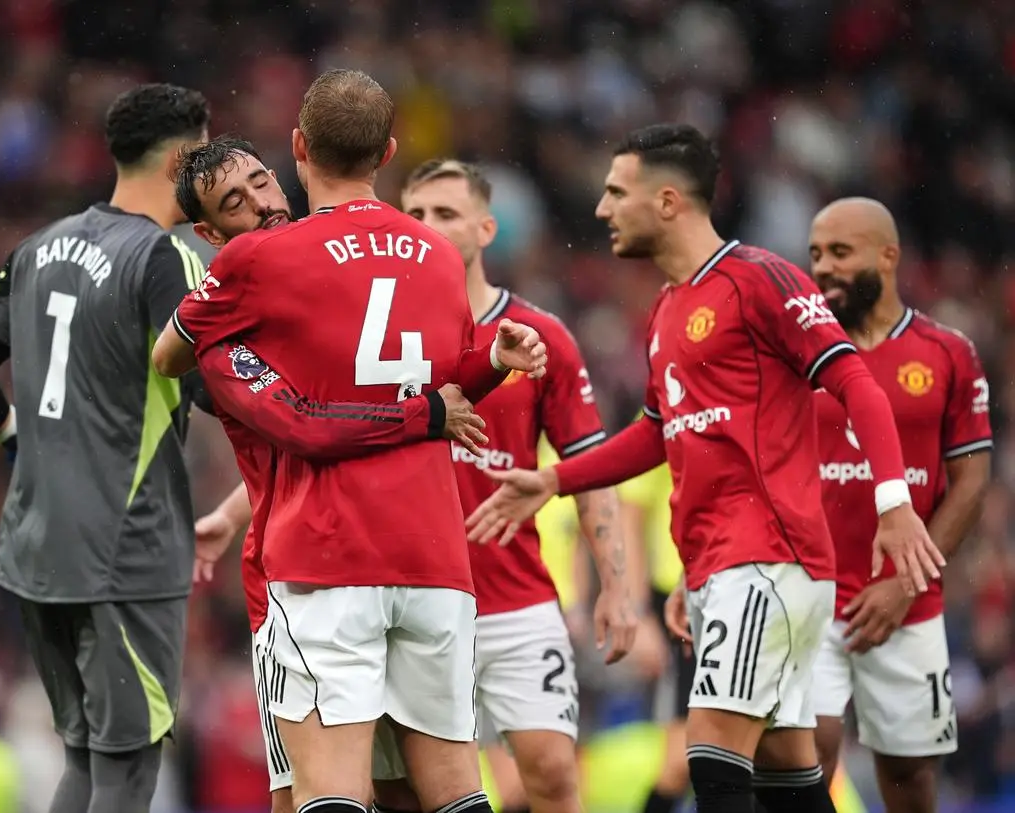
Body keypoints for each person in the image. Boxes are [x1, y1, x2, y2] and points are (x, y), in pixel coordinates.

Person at [464, 123, 945, 813]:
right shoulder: (666, 308)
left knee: (710, 754)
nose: (601, 209)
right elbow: (656, 433)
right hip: (723, 567)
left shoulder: (757, 279)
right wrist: (554, 480)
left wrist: (892, 505)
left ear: (666, 202)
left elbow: (855, 383)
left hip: (768, 559)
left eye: (616, 193)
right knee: (784, 769)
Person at [153, 69, 546, 813]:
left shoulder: (255, 270)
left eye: (260, 182)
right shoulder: (437, 255)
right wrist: (482, 369)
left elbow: (216, 378)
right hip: (431, 558)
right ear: (390, 151)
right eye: (235, 202)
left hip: (323, 559)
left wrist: (459, 387)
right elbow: (432, 389)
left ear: (297, 150)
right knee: (445, 791)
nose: (260, 202)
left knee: (323, 792)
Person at [0, 83, 213, 813]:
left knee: (85, 760)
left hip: (38, 544)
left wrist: (16, 439)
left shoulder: (39, 247)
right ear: (179, 161)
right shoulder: (162, 257)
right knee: (128, 769)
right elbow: (216, 388)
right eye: (204, 158)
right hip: (125, 550)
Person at [400, 158, 637, 813]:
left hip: (514, 595)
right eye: (415, 214)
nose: (428, 226)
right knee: (421, 789)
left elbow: (592, 469)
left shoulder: (539, 337)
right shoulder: (385, 335)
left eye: (446, 213)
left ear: (486, 229)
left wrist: (617, 587)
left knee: (553, 773)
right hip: (411, 597)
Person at [807, 198, 992, 812]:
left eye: (841, 252)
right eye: (815, 254)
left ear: (888, 256)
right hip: (809, 595)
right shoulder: (796, 353)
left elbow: (971, 481)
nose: (824, 267)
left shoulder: (948, 352)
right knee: (808, 757)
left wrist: (906, 584)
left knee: (909, 775)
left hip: (908, 604)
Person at [615, 454, 693, 813]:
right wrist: (640, 613)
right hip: (679, 608)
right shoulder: (666, 421)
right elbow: (630, 515)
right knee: (681, 761)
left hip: (746, 595)